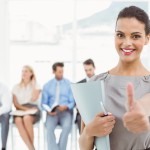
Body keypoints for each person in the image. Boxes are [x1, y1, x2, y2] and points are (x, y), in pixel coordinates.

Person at [79, 6, 150, 150]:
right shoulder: (95, 83)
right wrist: (89, 131)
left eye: (135, 36)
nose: (127, 43)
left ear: (147, 39)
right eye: (120, 35)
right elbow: (84, 146)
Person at [42, 62, 75, 150]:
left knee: (67, 127)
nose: (61, 73)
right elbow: (43, 103)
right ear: (53, 71)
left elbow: (72, 102)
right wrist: (48, 110)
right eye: (59, 71)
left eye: (62, 71)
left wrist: (67, 106)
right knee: (49, 128)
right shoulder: (47, 86)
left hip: (66, 112)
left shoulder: (69, 84)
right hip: (52, 113)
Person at [12, 65, 41, 150]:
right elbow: (15, 104)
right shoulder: (16, 87)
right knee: (18, 120)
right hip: (20, 109)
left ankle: (30, 148)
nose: (23, 73)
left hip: (33, 108)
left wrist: (33, 83)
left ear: (31, 73)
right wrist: (26, 110)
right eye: (22, 71)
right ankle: (31, 148)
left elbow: (34, 98)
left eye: (26, 71)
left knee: (27, 118)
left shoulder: (36, 85)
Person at [76, 59, 96, 133]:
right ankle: (84, 143)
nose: (88, 72)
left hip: (96, 113)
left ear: (94, 68)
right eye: (86, 70)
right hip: (82, 114)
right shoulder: (79, 84)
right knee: (81, 119)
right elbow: (76, 102)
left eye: (90, 69)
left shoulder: (101, 82)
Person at [0, 83, 12, 150]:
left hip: (2, 113)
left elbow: (7, 106)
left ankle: (3, 147)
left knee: (6, 116)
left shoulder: (4, 88)